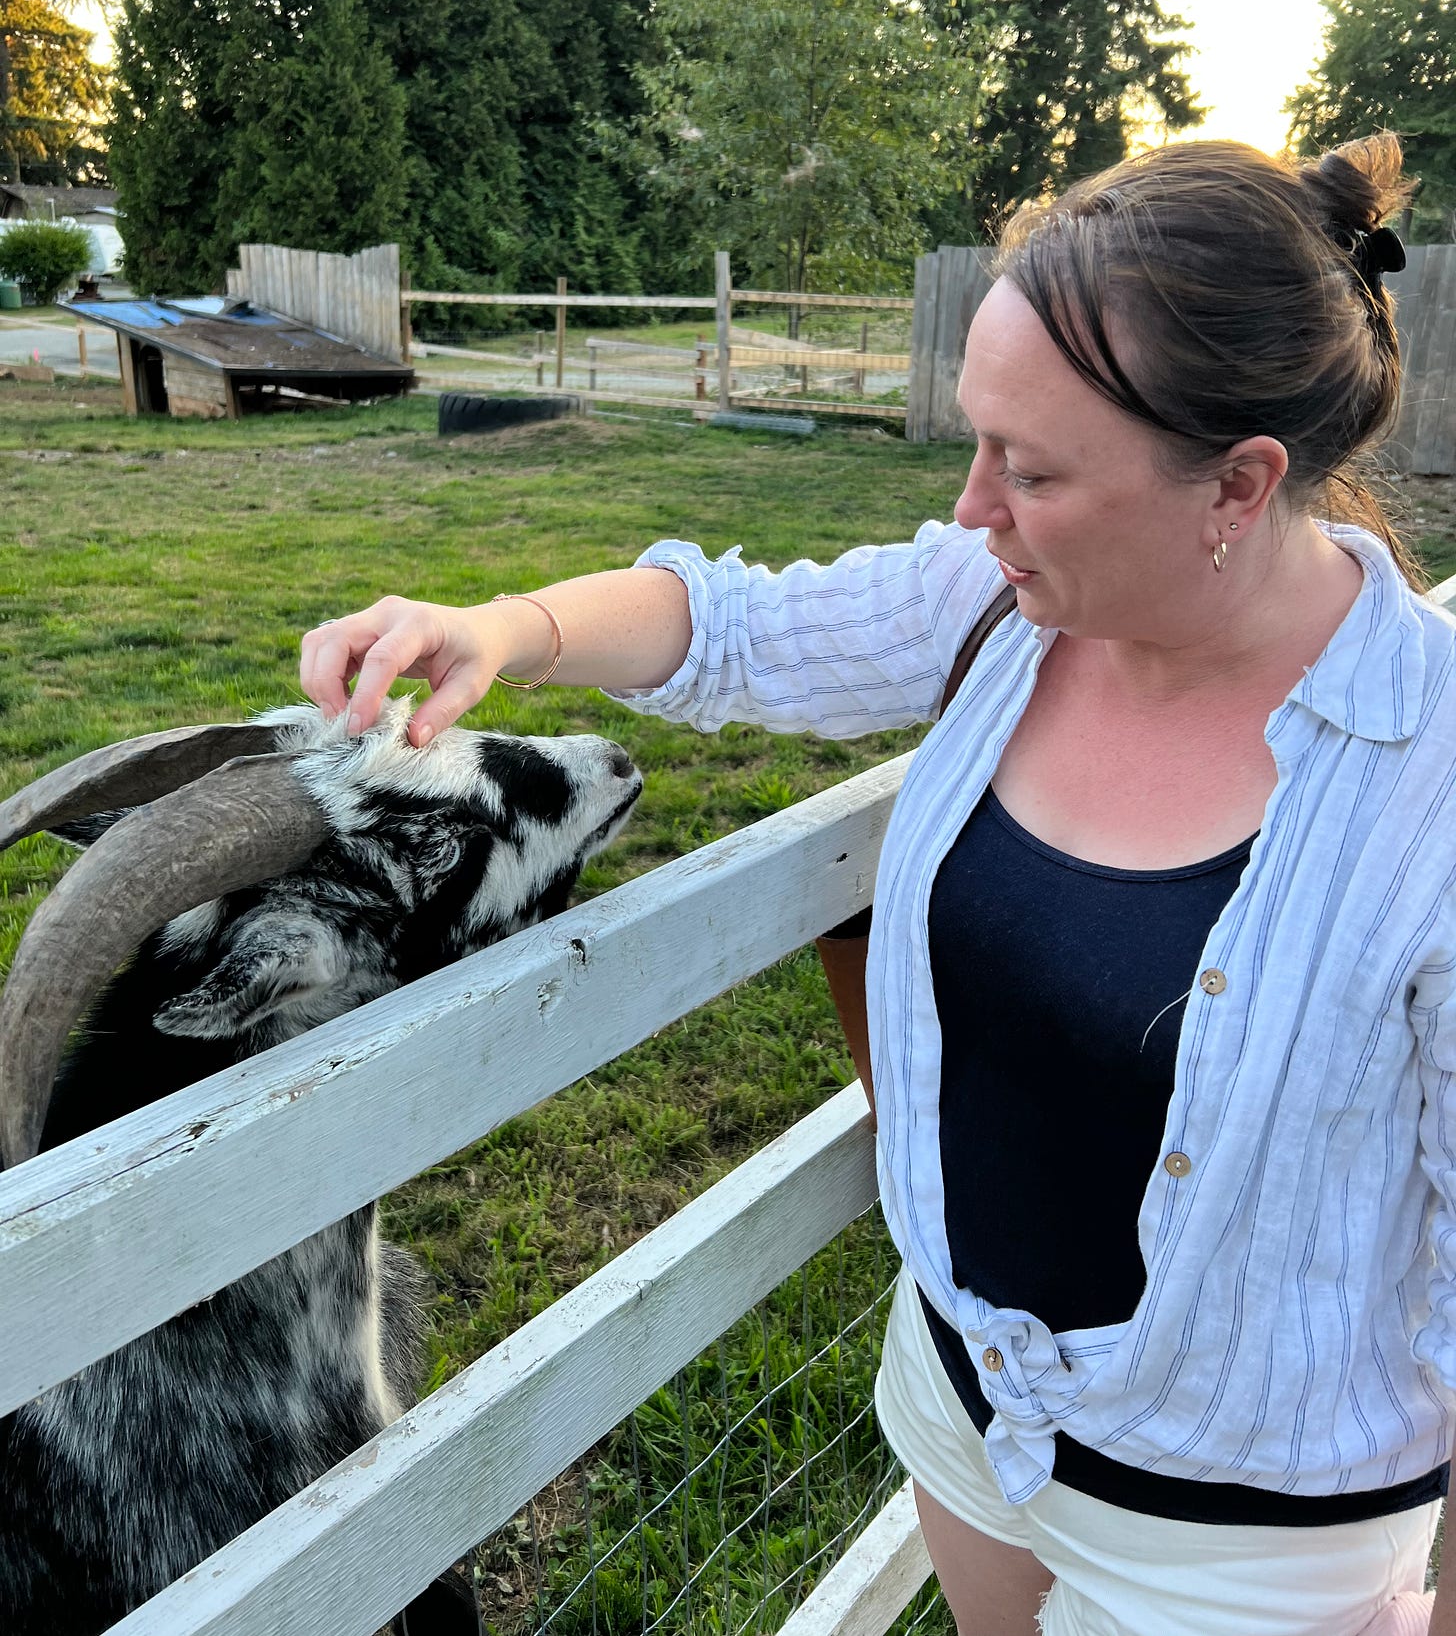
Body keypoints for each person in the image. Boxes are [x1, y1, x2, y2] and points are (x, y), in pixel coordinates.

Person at [300, 133, 1456, 1636]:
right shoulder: (1005, 607)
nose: (973, 507)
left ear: (1237, 485)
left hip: (1240, 1535)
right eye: (979, 440)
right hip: (965, 1397)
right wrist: (504, 627)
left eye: (1031, 469)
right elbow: (733, 626)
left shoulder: (1428, 781)